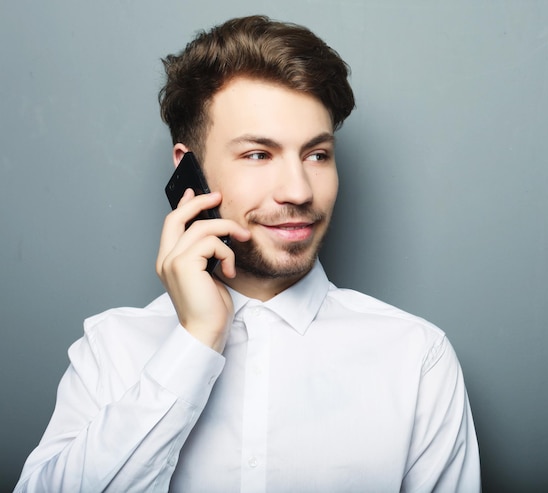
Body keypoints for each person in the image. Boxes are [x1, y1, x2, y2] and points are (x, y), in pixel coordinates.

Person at [15, 15, 480, 492]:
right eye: (258, 155)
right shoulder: (113, 349)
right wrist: (195, 342)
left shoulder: (416, 359)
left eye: (317, 154)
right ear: (188, 170)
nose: (299, 190)